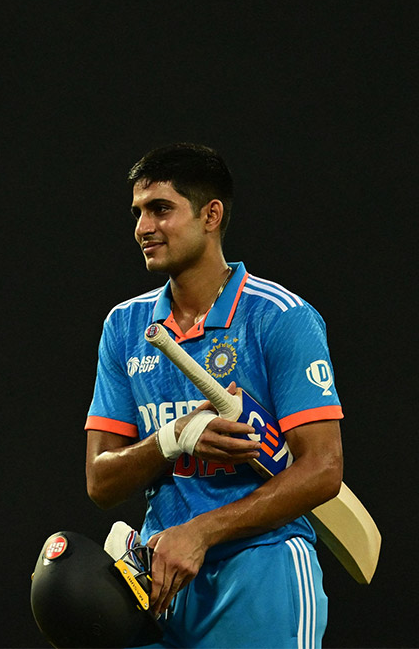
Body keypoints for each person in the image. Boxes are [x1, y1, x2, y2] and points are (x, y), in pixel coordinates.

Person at [84, 143, 345, 647]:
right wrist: (174, 437)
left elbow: (323, 469)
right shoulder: (125, 326)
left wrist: (201, 532)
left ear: (211, 215)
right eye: (137, 212)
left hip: (261, 571)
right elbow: (101, 480)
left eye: (161, 209)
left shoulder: (280, 317)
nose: (143, 228)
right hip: (161, 580)